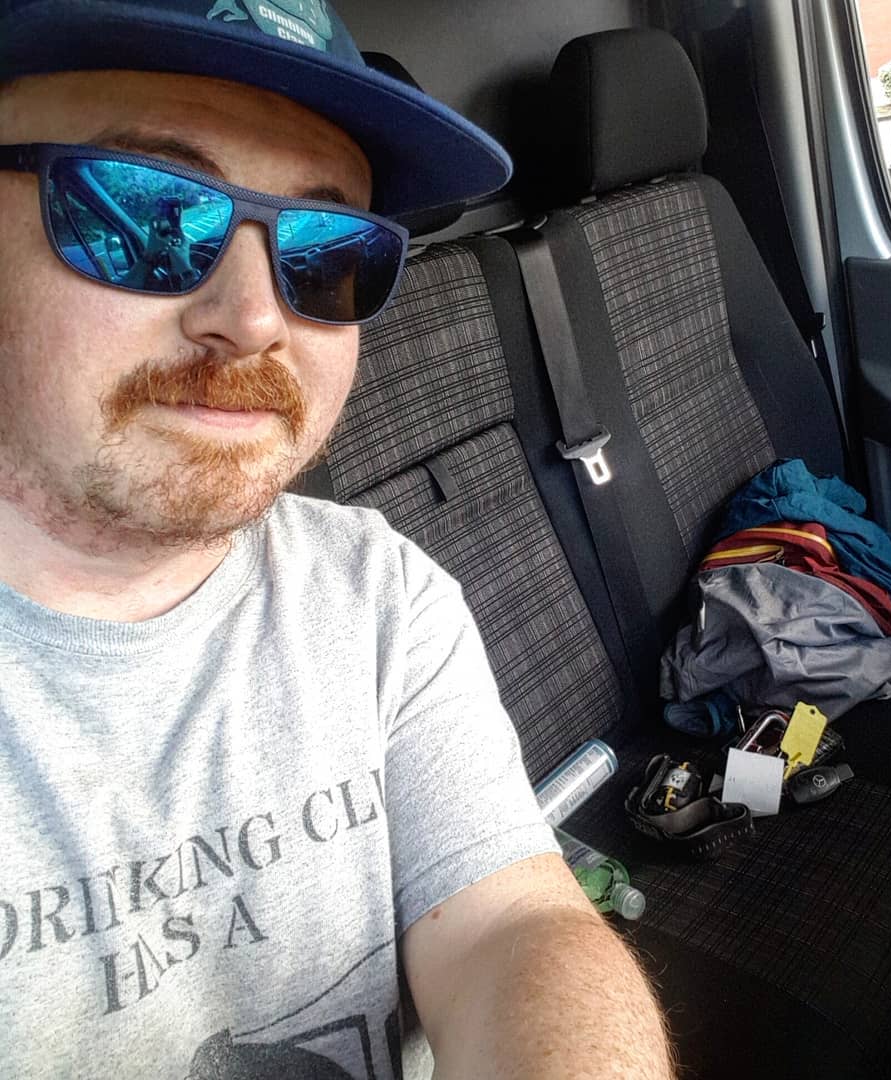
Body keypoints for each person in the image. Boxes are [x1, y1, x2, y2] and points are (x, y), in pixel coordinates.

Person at [0, 1, 676, 1077]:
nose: (255, 318)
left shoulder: (377, 590)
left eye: (327, 253)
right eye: (146, 213)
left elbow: (511, 928)